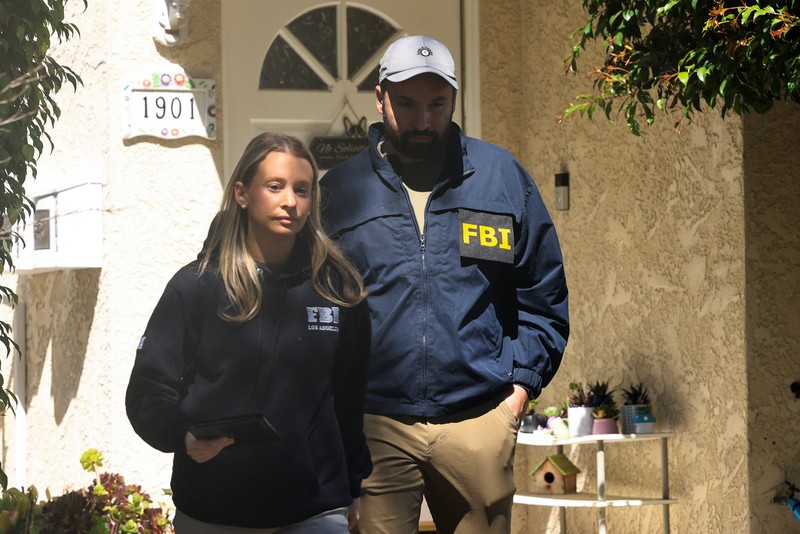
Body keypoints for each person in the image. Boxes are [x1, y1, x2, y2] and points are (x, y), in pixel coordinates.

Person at [319, 35, 569, 534]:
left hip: (480, 417)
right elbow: (319, 306)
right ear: (380, 97)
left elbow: (543, 293)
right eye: (407, 104)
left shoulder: (500, 177)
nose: (423, 120)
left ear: (454, 100)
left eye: (437, 104)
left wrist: (518, 391)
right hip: (378, 423)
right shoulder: (341, 191)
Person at [126, 132, 372, 533]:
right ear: (242, 192)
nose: (290, 201)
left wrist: (353, 484)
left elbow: (349, 399)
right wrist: (183, 436)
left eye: (302, 190)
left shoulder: (339, 289)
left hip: (315, 507)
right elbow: (148, 392)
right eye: (275, 187)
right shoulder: (196, 286)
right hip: (214, 508)